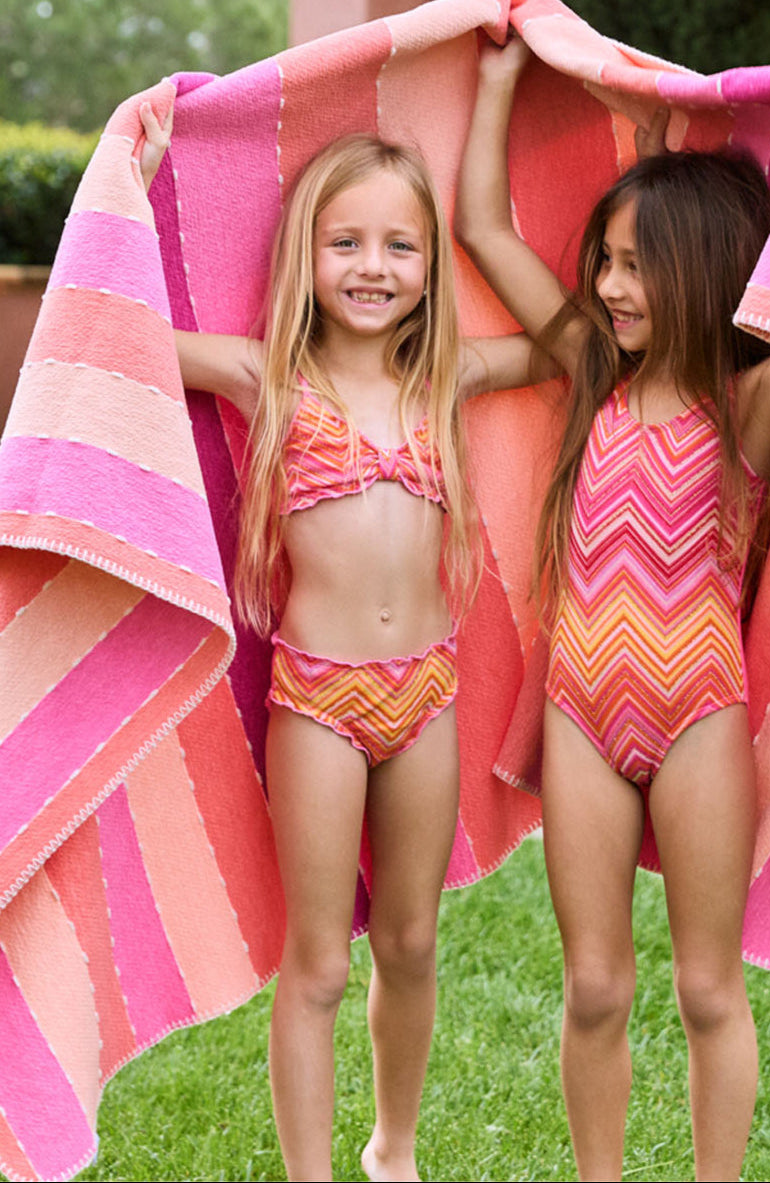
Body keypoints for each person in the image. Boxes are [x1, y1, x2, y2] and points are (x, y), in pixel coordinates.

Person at [454, 39, 770, 1183]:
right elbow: (480, 225)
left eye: (635, 265)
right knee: (594, 985)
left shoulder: (754, 405)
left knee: (707, 987)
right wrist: (489, 84)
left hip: (699, 713)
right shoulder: (587, 369)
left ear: (711, 268)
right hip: (580, 710)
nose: (611, 287)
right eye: (606, 260)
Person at [139, 103, 536, 1183]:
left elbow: (568, 343)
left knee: (409, 943)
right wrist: (135, 173)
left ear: (430, 266)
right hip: (316, 702)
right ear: (304, 254)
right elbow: (107, 328)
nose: (372, 266)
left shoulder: (442, 376)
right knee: (314, 961)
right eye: (345, 242)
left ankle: (392, 1152)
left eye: (400, 244)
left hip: (430, 692)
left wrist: (491, 111)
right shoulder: (262, 372)